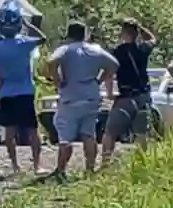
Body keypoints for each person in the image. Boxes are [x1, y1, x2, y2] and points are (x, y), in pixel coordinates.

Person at [0, 1, 47, 174]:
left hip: (6, 93)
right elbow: (42, 39)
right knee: (32, 130)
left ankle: (15, 166)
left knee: (9, 132)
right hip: (26, 93)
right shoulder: (24, 44)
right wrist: (28, 24)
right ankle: (37, 166)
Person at [44, 21, 119, 177]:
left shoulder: (65, 49)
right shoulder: (95, 49)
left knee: (66, 137)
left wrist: (57, 80)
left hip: (71, 97)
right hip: (91, 96)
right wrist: (99, 79)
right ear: (84, 34)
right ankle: (90, 170)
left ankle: (60, 171)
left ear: (68, 34)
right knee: (89, 134)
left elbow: (51, 62)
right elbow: (114, 65)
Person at [103, 18, 156, 164]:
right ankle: (141, 162)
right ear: (137, 33)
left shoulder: (117, 52)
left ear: (123, 33)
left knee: (110, 132)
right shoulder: (143, 48)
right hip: (143, 96)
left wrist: (109, 93)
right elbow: (153, 39)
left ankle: (105, 162)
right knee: (141, 133)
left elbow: (109, 74)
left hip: (125, 97)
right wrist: (140, 26)